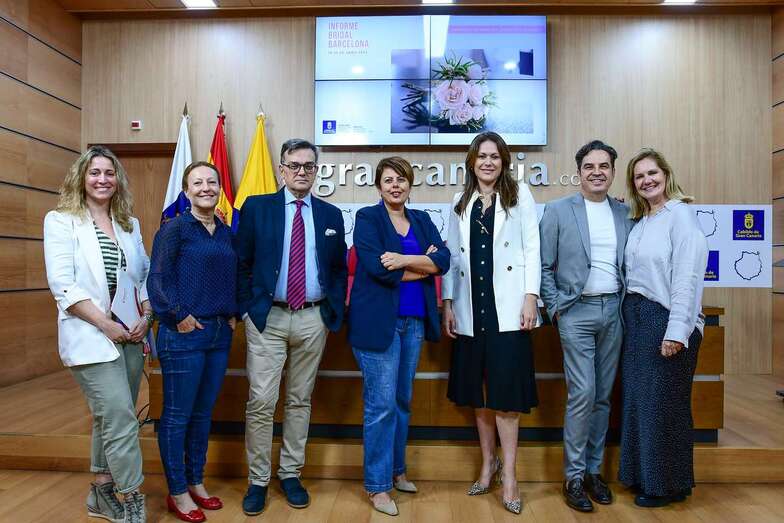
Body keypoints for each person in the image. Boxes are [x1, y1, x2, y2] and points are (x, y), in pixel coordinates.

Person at [235, 138, 348, 516]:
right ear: (282, 169)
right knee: (262, 401)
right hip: (269, 316)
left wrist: (329, 311)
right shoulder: (257, 208)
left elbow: (335, 268)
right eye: (294, 165)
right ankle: (258, 480)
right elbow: (242, 262)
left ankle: (290, 473)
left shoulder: (331, 215)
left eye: (308, 166)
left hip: (313, 318)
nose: (302, 172)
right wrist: (249, 309)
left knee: (300, 399)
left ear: (317, 170)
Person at [43, 145, 151, 523]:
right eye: (94, 173)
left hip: (131, 337)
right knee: (121, 415)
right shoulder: (60, 221)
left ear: (117, 179)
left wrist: (147, 316)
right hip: (91, 336)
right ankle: (132, 496)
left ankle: (101, 492)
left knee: (110, 417)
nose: (102, 179)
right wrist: (106, 325)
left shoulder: (129, 224)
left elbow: (142, 278)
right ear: (81, 178)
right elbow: (63, 286)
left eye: (109, 173)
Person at [442, 132, 540, 515]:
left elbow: (532, 248)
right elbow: (450, 258)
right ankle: (488, 464)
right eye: (481, 156)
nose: (487, 162)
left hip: (509, 310)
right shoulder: (459, 201)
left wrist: (531, 295)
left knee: (506, 399)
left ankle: (511, 476)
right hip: (470, 310)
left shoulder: (521, 196)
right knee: (479, 397)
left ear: (504, 161)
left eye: (494, 156)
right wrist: (448, 302)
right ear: (471, 161)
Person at [349, 157, 450, 516]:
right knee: (380, 406)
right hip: (379, 324)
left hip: (415, 322)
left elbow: (445, 261)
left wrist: (404, 260)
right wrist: (423, 262)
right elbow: (377, 266)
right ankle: (377, 486)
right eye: (389, 180)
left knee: (403, 401)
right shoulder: (368, 218)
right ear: (379, 186)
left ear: (410, 184)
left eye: (402, 180)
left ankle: (397, 471)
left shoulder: (422, 220)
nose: (396, 185)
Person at [539, 140, 633, 512]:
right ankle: (573, 475)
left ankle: (595, 472)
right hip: (575, 312)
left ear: (612, 171)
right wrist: (557, 308)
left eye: (604, 166)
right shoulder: (559, 211)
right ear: (579, 172)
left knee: (603, 396)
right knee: (583, 393)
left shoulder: (625, 213)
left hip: (615, 311)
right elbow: (545, 266)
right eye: (590, 166)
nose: (597, 172)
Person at [147, 161, 237, 523]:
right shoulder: (174, 230)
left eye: (211, 182)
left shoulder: (227, 232)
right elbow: (158, 280)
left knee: (202, 414)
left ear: (219, 189)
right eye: (197, 183)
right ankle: (178, 491)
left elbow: (234, 275)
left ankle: (196, 481)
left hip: (218, 334)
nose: (205, 187)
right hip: (183, 333)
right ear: (186, 191)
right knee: (177, 415)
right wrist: (177, 315)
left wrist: (233, 313)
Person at [619, 148, 708, 508]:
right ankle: (661, 479)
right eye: (639, 176)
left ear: (666, 175)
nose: (647, 180)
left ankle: (663, 486)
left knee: (662, 406)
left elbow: (687, 278)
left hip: (666, 319)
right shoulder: (642, 222)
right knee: (644, 404)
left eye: (652, 173)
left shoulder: (681, 217)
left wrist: (677, 331)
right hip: (638, 321)